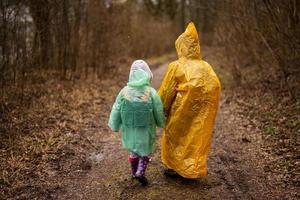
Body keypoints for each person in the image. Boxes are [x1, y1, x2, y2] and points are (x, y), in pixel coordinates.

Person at [158, 22, 221, 179]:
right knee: (195, 135)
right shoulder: (206, 66)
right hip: (203, 108)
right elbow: (215, 85)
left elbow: (166, 92)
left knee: (175, 134)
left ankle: (174, 167)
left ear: (181, 47)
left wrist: (161, 109)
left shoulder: (176, 66)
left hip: (182, 107)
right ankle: (192, 167)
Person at [108, 60, 165, 186]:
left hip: (130, 128)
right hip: (146, 128)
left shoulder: (124, 91)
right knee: (144, 150)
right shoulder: (151, 92)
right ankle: (140, 172)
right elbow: (158, 109)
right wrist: (161, 122)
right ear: (147, 74)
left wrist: (114, 124)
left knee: (133, 150)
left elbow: (116, 108)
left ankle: (134, 172)